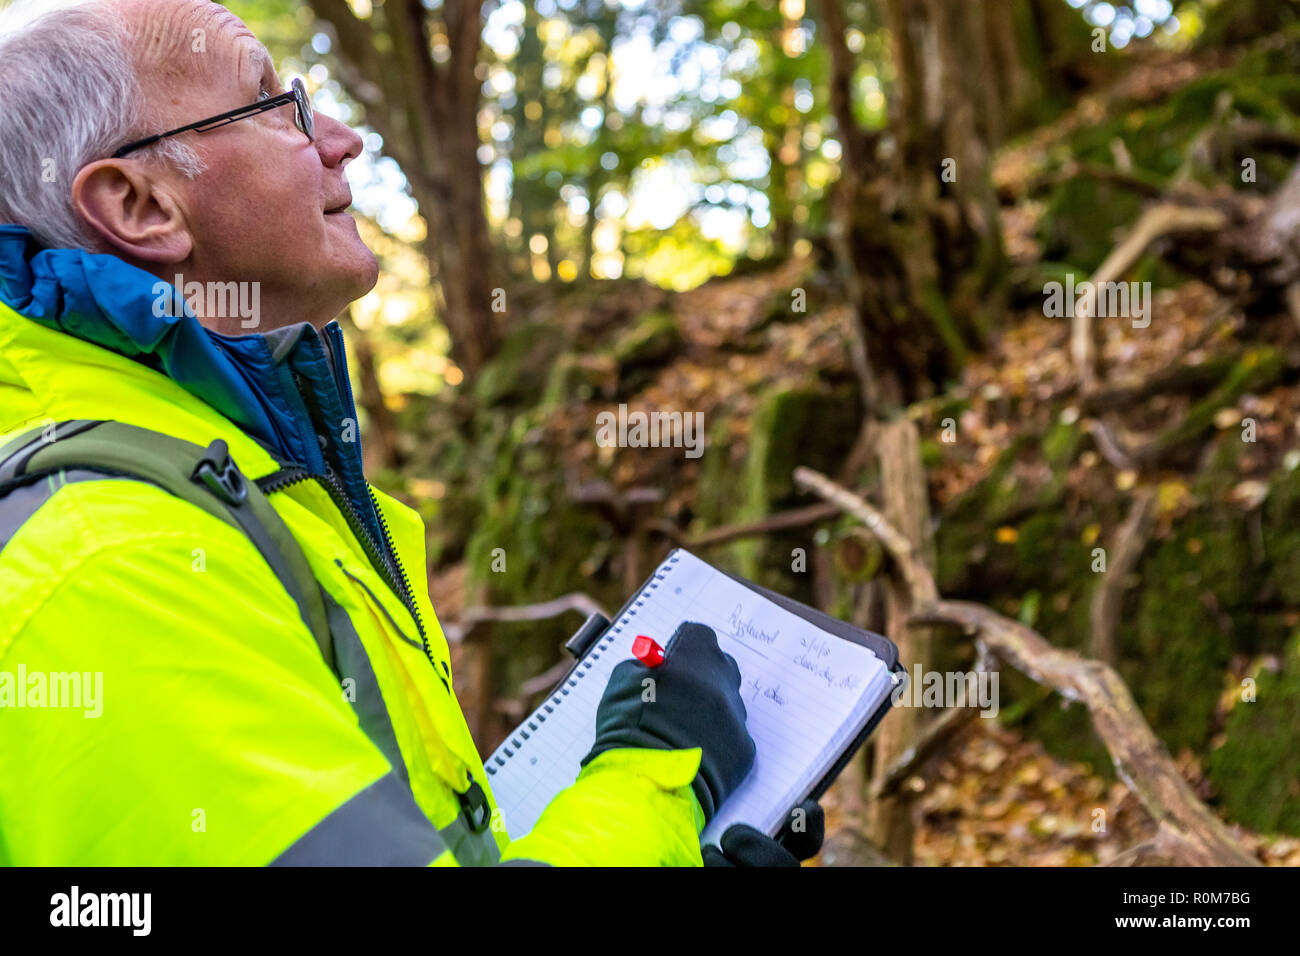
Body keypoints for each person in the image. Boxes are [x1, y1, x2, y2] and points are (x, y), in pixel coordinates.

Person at [0, 0, 820, 865]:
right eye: (279, 107)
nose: (343, 139)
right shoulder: (116, 561)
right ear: (139, 204)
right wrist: (657, 779)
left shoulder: (222, 475)